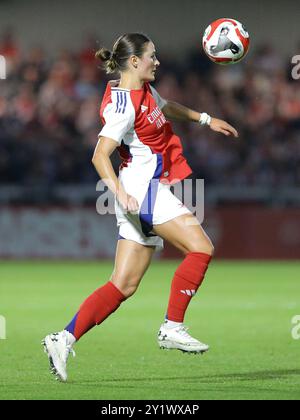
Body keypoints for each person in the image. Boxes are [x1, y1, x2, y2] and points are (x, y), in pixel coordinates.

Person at [42, 33, 238, 382]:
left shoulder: (142, 92)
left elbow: (166, 107)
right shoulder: (123, 104)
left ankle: (63, 338)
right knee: (201, 247)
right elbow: (99, 154)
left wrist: (206, 119)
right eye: (152, 56)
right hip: (141, 190)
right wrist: (120, 193)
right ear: (135, 62)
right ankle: (172, 327)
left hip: (141, 191)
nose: (158, 62)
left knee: (123, 285)